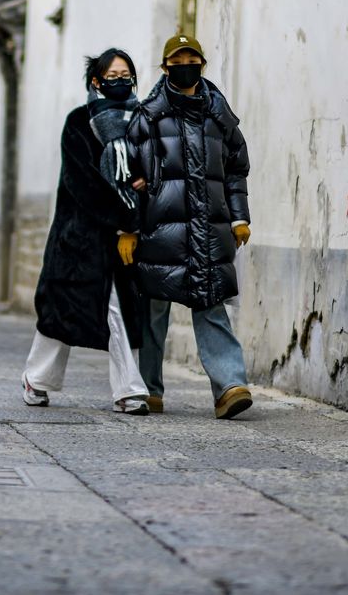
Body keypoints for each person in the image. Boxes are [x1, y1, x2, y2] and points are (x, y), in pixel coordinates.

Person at [125, 33, 253, 419]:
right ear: (165, 68)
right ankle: (147, 389)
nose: (185, 65)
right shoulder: (147, 117)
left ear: (202, 64)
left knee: (211, 304)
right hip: (159, 229)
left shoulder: (220, 115)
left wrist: (239, 215)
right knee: (153, 311)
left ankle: (230, 386)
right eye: (177, 60)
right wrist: (129, 227)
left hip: (209, 229)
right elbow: (129, 173)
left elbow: (235, 169)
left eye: (191, 59)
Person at [23, 49, 150, 415]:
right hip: (79, 237)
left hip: (123, 238)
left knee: (122, 312)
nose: (120, 79)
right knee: (60, 313)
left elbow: (151, 164)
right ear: (96, 80)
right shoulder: (79, 122)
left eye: (126, 73)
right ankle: (37, 378)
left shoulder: (141, 121)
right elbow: (82, 182)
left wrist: (145, 184)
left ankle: (128, 390)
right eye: (112, 74)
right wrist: (123, 213)